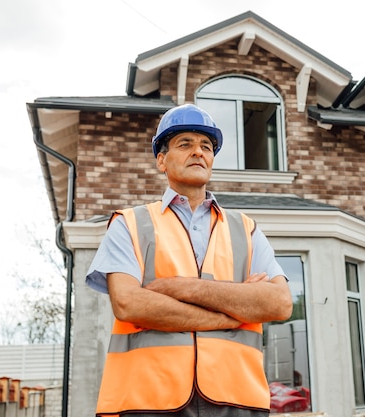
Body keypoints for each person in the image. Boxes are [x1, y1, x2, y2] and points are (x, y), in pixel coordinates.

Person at [85, 103, 293, 417]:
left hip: (237, 400)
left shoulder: (245, 229)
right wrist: (233, 313)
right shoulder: (129, 224)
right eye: (185, 144)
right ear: (161, 160)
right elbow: (129, 304)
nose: (198, 152)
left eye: (206, 146)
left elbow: (279, 304)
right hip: (148, 401)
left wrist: (178, 287)